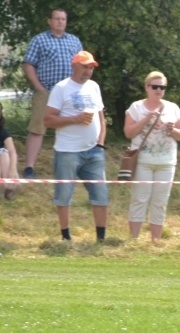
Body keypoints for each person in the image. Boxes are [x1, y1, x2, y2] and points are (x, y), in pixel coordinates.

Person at [43, 51, 107, 242]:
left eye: (90, 68)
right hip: (67, 151)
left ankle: (101, 239)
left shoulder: (94, 87)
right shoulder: (61, 88)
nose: (88, 71)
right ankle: (66, 237)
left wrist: (101, 143)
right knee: (64, 195)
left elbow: (101, 119)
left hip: (94, 151)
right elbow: (48, 120)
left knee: (101, 195)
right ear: (74, 66)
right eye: (84, 66)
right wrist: (75, 119)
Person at [123, 71, 180, 242]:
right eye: (155, 87)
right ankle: (134, 240)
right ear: (147, 88)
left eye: (162, 87)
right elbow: (128, 132)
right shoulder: (136, 107)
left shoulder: (172, 108)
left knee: (160, 201)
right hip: (143, 161)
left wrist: (172, 129)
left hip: (166, 162)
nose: (158, 90)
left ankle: (155, 241)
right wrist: (145, 120)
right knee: (140, 199)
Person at [22, 8, 82, 179]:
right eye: (57, 19)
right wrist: (38, 87)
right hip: (46, 91)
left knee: (72, 127)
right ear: (49, 21)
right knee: (37, 128)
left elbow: (82, 65)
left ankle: (74, 166)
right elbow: (28, 64)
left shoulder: (74, 41)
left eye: (63, 19)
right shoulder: (39, 40)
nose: (60, 22)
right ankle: (29, 168)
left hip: (70, 92)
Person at [0, 103, 20, 201]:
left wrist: (12, 169)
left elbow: (12, 151)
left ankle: (9, 187)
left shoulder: (3, 132)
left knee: (4, 154)